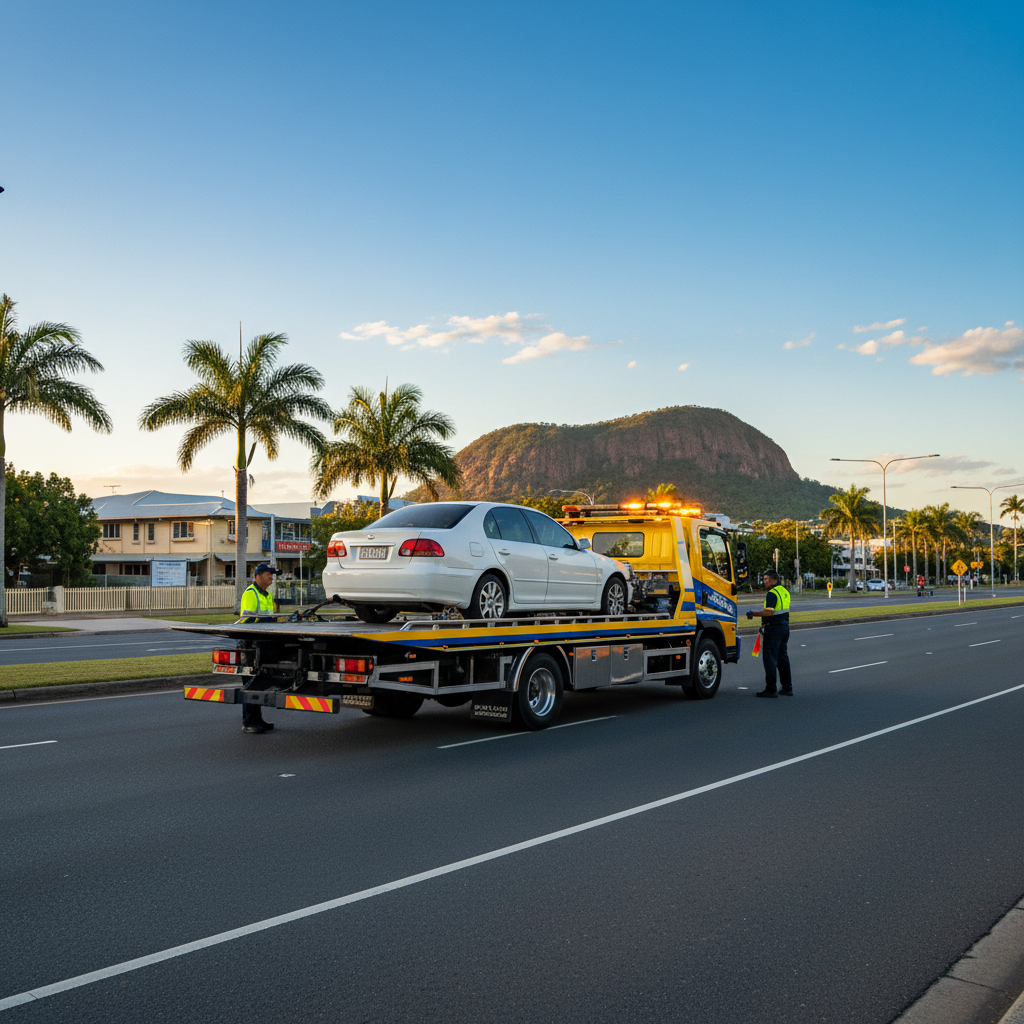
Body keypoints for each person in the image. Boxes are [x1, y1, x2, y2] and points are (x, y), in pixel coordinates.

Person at [238, 562, 281, 733]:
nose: (271, 578)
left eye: (272, 575)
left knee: (259, 683)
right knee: (250, 683)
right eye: (268, 575)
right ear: (257, 577)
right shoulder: (251, 593)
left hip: (262, 643)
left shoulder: (267, 595)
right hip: (250, 644)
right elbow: (247, 620)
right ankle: (249, 722)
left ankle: (257, 720)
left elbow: (269, 617)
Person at [746, 568, 792, 698]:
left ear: (774, 580)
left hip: (773, 629)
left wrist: (753, 614)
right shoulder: (784, 591)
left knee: (770, 659)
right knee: (782, 658)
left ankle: (771, 689)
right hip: (784, 627)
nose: (765, 581)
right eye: (764, 579)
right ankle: (787, 687)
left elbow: (769, 612)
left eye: (767, 579)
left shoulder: (772, 594)